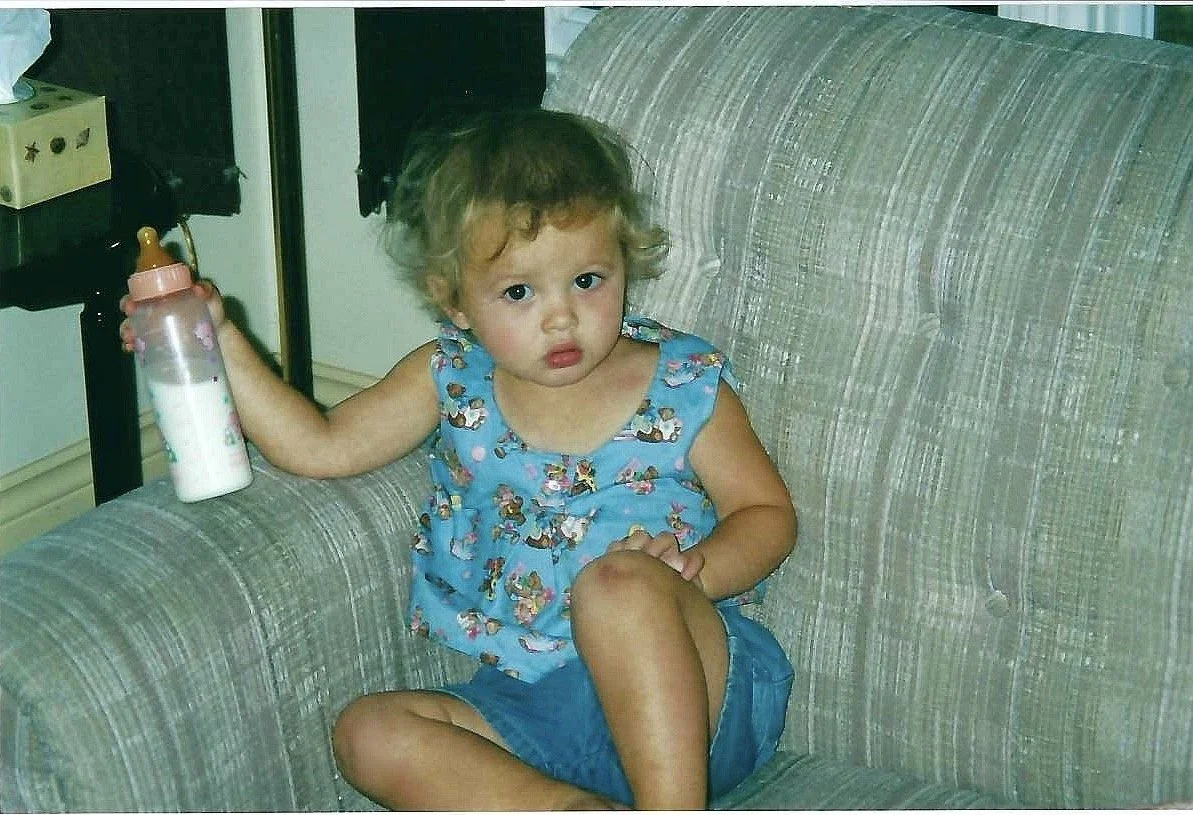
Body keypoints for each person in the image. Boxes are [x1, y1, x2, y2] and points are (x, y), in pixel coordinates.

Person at [121, 108, 797, 810]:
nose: (560, 316)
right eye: (518, 291)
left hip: (697, 689)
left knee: (618, 585)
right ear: (456, 302)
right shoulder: (449, 374)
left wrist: (699, 570)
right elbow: (318, 446)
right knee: (369, 731)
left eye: (588, 280)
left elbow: (766, 512)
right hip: (535, 709)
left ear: (622, 257)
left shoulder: (682, 383)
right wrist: (216, 337)